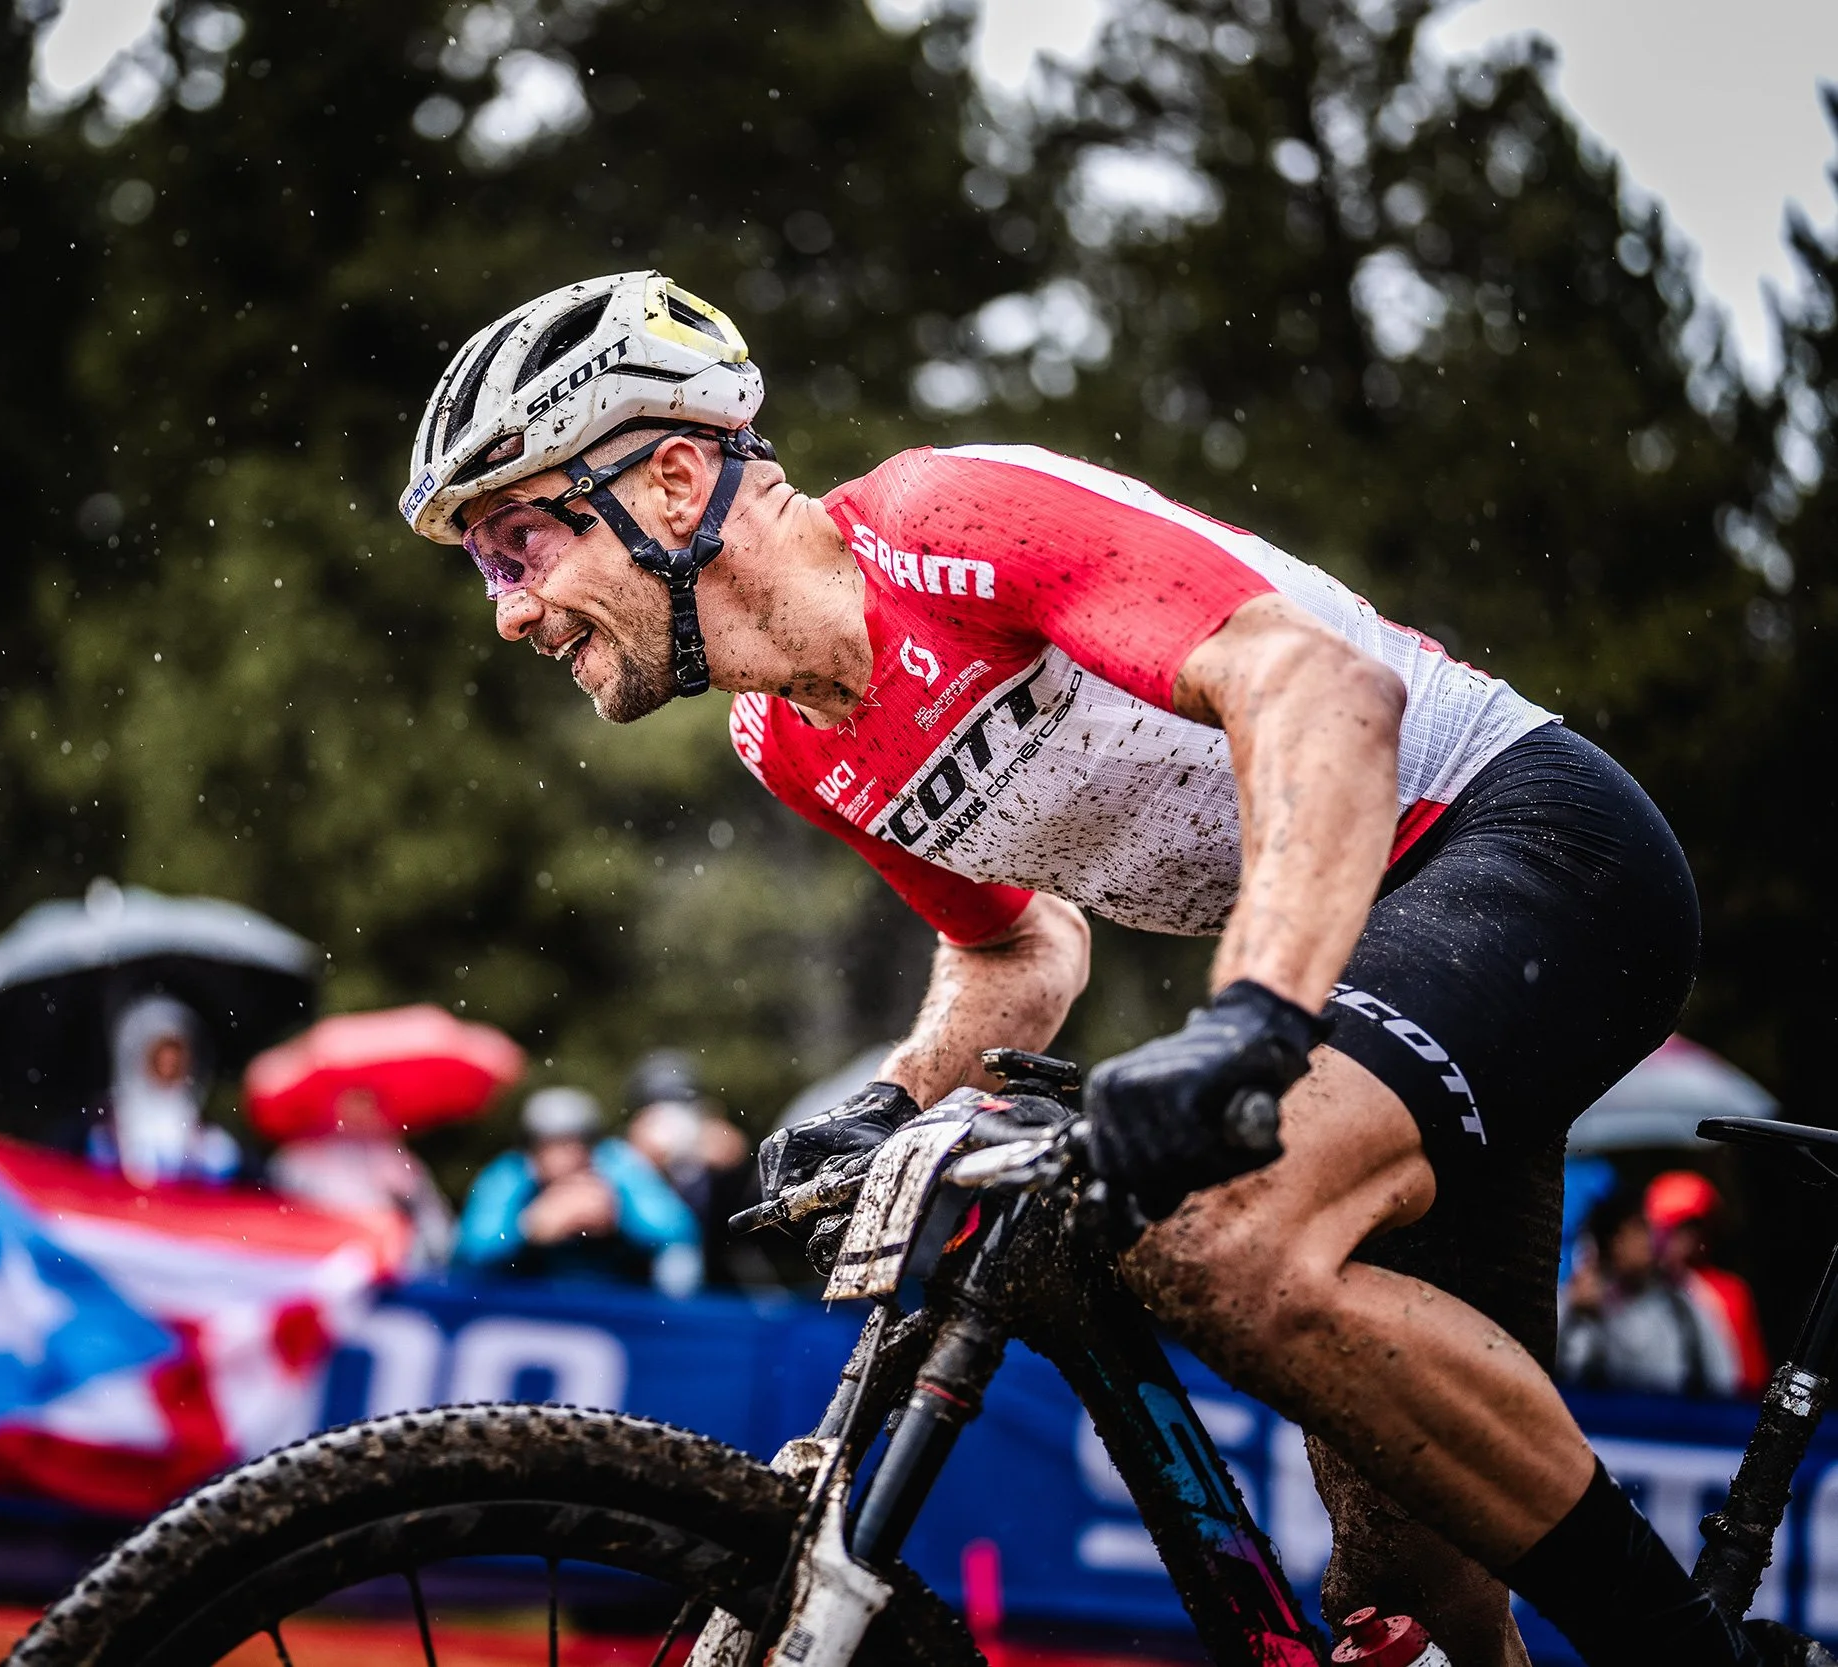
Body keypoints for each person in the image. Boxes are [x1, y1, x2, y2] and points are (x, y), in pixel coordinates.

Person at [399, 272, 1797, 1664]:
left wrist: (1251, 1016)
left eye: (520, 544)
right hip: (1377, 959)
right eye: (487, 565)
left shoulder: (940, 520)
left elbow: (1319, 688)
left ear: (673, 477)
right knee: (1401, 1602)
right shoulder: (788, 739)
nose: (511, 610)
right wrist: (892, 1093)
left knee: (1213, 1235)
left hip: (1531, 850)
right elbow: (1013, 941)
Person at [454, 1086, 701, 1294]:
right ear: (532, 1149)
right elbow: (470, 1251)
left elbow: (676, 1232)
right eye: (551, 1145)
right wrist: (529, 1228)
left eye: (574, 1144)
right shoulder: (510, 1175)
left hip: (616, 1302)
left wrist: (619, 1215)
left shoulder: (617, 1166)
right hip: (525, 1303)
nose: (565, 1158)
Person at [1559, 1189, 1740, 1397]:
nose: (1644, 1240)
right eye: (1633, 1230)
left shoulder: (1683, 1308)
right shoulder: (1576, 1306)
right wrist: (1575, 1311)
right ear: (1608, 1242)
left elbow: (1724, 1379)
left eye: (1644, 1229)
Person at [266, 1087, 457, 1271]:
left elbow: (435, 1226)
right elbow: (281, 1214)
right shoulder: (301, 1160)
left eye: (368, 1104)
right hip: (317, 1261)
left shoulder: (400, 1163)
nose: (360, 1114)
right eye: (353, 1103)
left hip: (394, 1268)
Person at [620, 1049, 761, 1286]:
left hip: (714, 1293)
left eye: (681, 1112)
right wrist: (641, 1165)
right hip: (637, 1294)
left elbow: (752, 1222)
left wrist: (740, 1162)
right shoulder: (620, 1163)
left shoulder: (714, 1163)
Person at [91, 995, 240, 1186]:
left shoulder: (195, 1119)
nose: (169, 1066)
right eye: (162, 1058)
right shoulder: (108, 1122)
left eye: (175, 1060)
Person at [1648, 1169, 1769, 1395]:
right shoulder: (1633, 1288)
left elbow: (1750, 1378)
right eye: (1669, 1228)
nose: (1679, 1239)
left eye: (1690, 1228)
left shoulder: (1730, 1291)